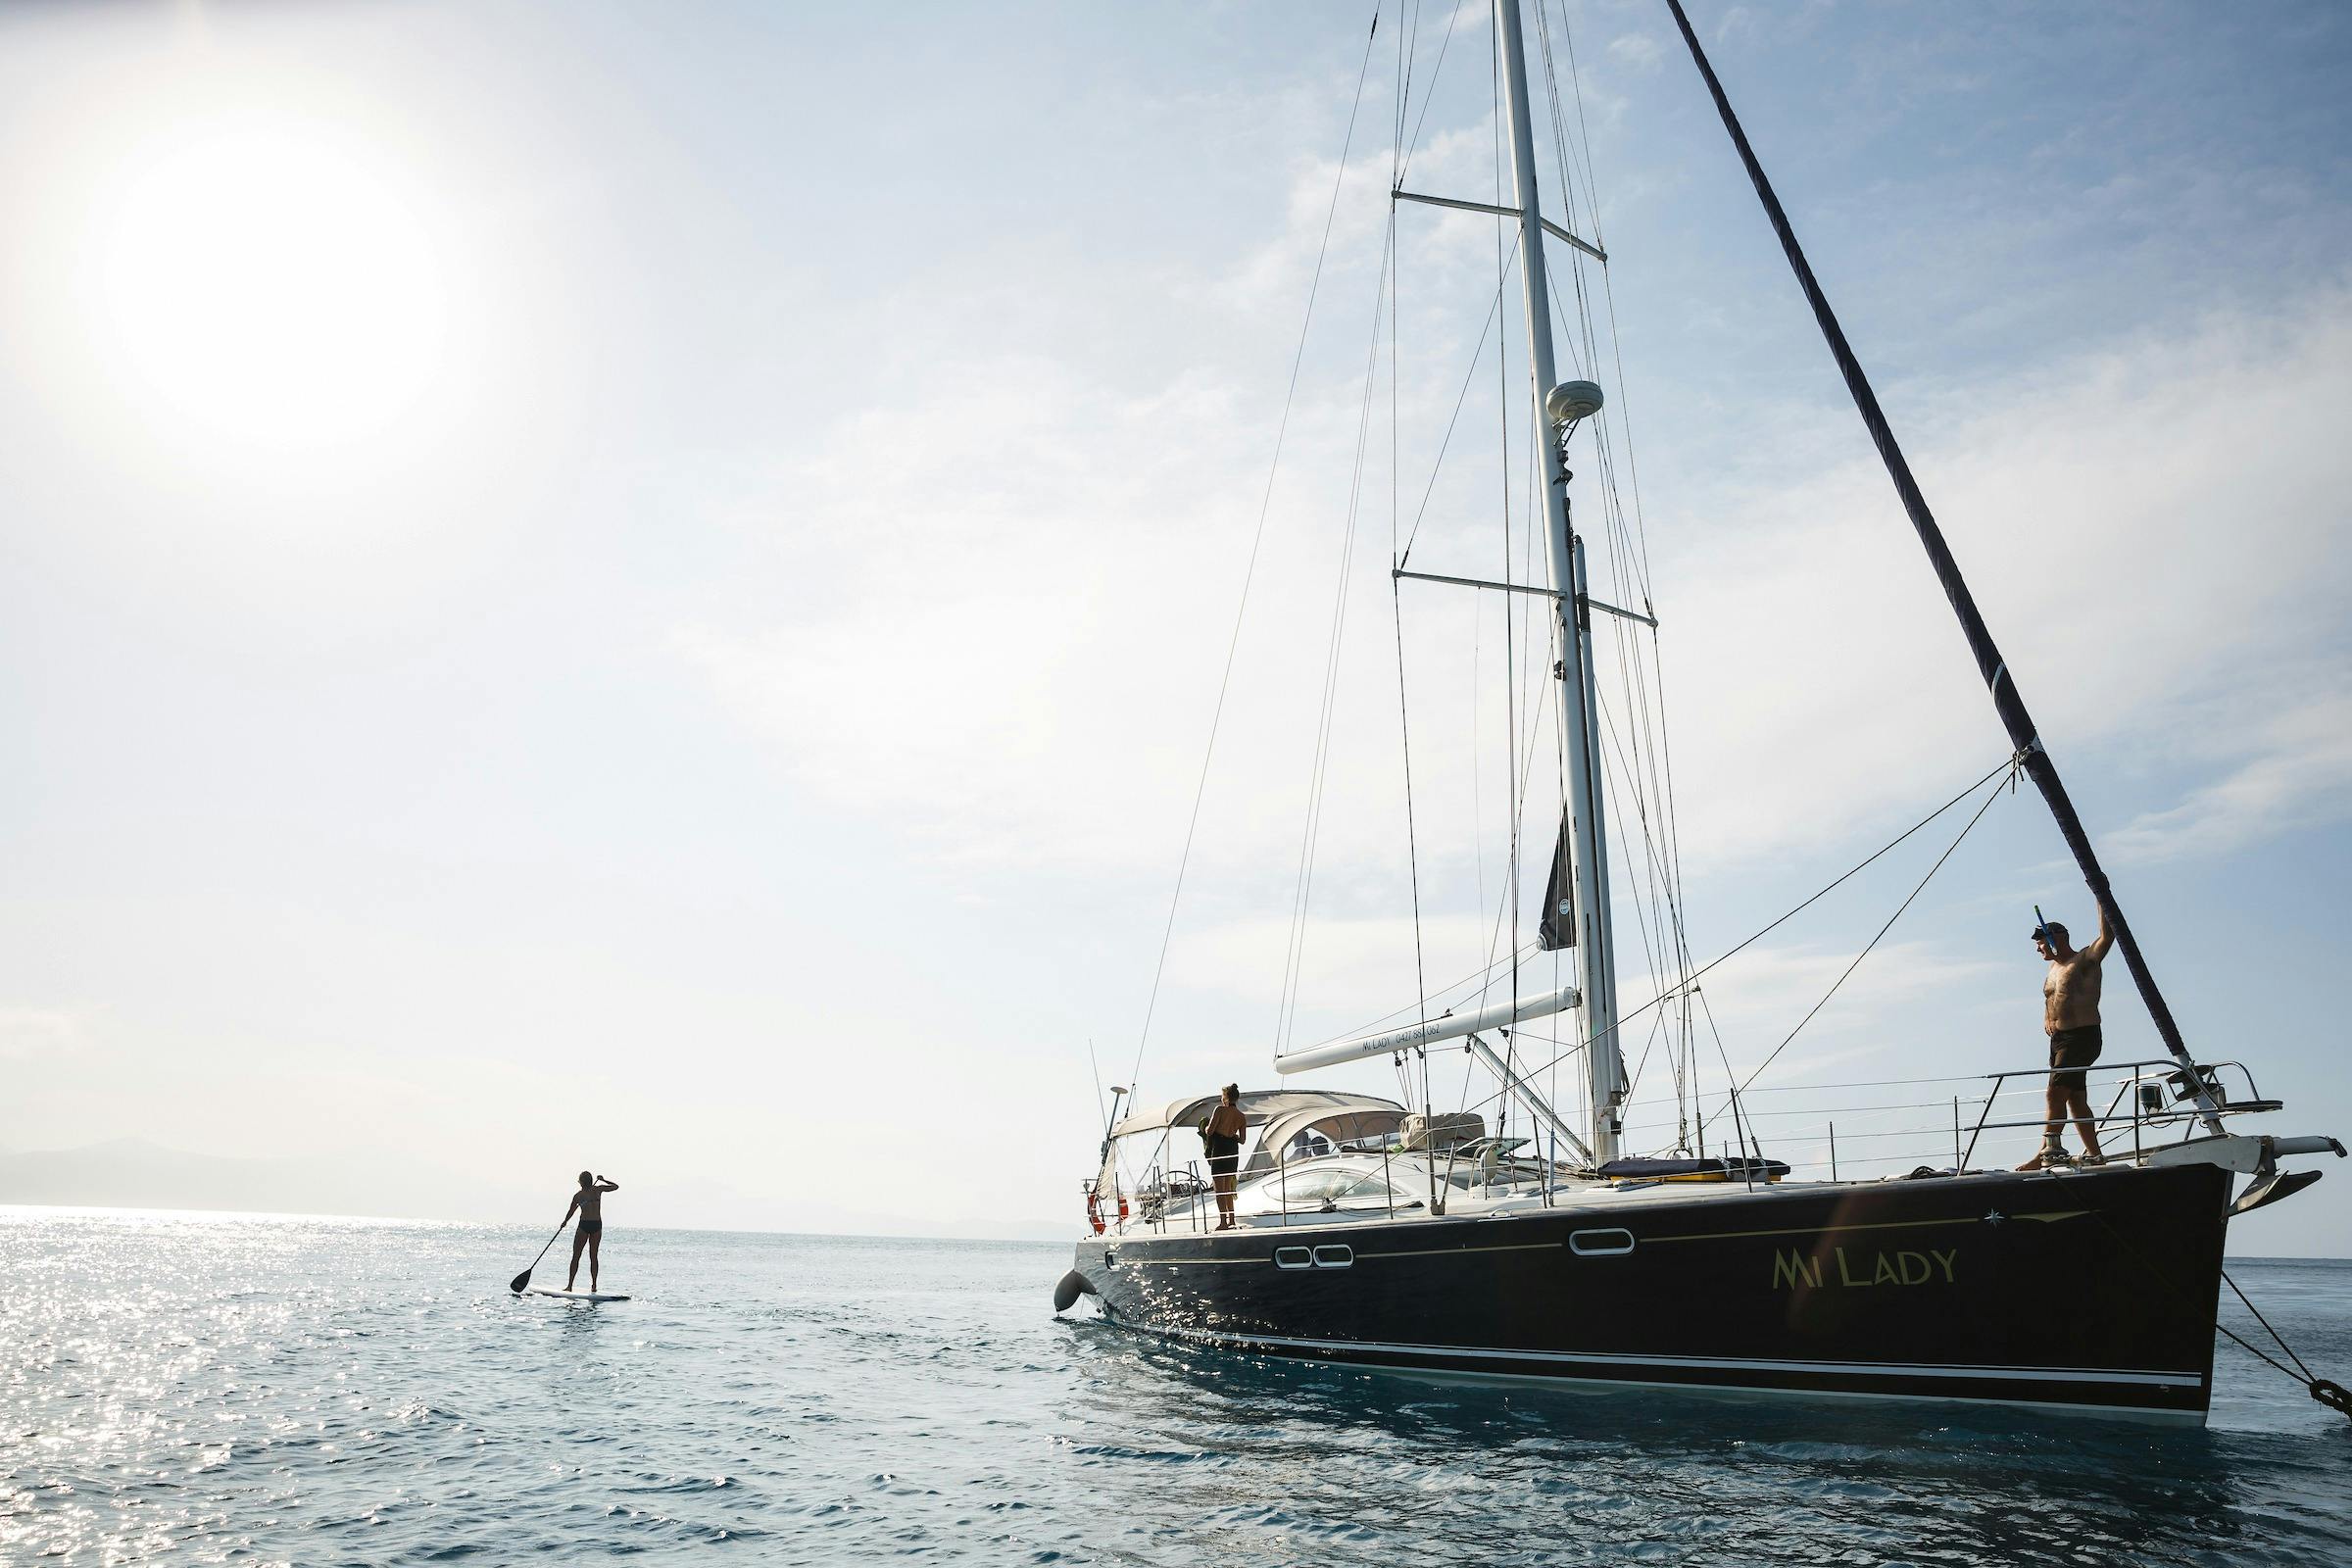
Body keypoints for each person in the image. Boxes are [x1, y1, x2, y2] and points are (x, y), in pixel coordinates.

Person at [2016, 908, 2112, 1170]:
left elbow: (2107, 935)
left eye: (2040, 943)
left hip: (2082, 1037)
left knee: (2055, 1093)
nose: (2038, 950)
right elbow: (2052, 998)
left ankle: (2047, 1152)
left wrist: (2100, 895)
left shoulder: (2084, 959)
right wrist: (2048, 1019)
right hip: (2059, 1040)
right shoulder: (2053, 968)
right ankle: (2095, 1154)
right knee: (2075, 1098)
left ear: (2057, 938)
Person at [1200, 1085, 1248, 1231]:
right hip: (1232, 1148)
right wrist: (1232, 1134)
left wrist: (1206, 1127)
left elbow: (1210, 1131)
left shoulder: (1219, 1110)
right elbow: (1243, 1140)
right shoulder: (1241, 1116)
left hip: (1220, 1148)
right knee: (1227, 1187)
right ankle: (1232, 1219)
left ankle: (1223, 1222)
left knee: (1219, 1189)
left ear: (1225, 1097)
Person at [564, 1170, 620, 1290]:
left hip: (592, 1225)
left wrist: (603, 1180)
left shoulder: (597, 1189)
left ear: (581, 1182)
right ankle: (571, 1285)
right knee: (579, 1255)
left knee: (590, 1256)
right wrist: (565, 1222)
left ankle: (591, 1285)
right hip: (589, 1225)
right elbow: (571, 1211)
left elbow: (615, 1187)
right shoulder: (580, 1195)